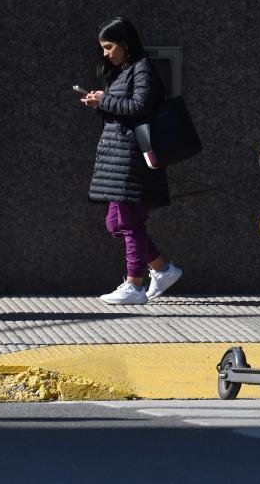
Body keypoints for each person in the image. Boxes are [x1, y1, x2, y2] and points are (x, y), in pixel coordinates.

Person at [81, 17, 182, 305]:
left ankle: (134, 286)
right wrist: (100, 103)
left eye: (109, 47)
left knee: (130, 222)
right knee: (116, 224)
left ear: (125, 44)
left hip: (133, 159)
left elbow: (140, 107)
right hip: (119, 158)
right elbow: (124, 110)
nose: (106, 54)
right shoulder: (125, 72)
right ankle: (162, 269)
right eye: (103, 48)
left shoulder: (143, 69)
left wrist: (105, 101)